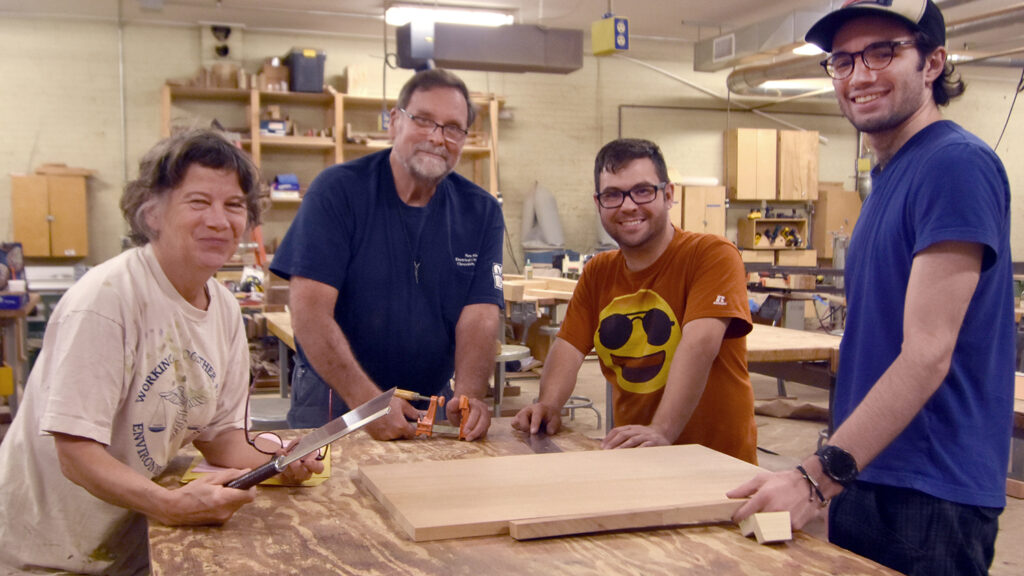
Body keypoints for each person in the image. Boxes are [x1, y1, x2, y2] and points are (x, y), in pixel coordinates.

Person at [729, 2, 1014, 574]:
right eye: (843, 60)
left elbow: (927, 354)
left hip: (928, 491)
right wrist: (835, 473)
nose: (859, 75)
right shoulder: (891, 175)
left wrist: (814, 478)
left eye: (882, 52)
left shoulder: (954, 165)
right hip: (870, 471)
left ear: (933, 63)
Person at [0, 129, 323, 575]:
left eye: (234, 205)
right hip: (46, 556)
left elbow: (220, 437)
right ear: (151, 212)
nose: (219, 220)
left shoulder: (224, 308)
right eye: (198, 202)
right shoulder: (108, 299)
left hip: (130, 543)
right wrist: (168, 504)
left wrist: (280, 458)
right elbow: (75, 454)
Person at [270, 68, 504, 441]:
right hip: (336, 394)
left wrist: (468, 396)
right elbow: (309, 313)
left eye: (453, 128)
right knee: (328, 481)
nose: (437, 137)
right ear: (394, 121)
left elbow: (480, 316)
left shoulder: (481, 211)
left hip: (429, 399)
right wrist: (368, 404)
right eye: (423, 120)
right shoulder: (338, 192)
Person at [513, 138, 758, 463]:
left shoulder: (711, 255)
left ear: (668, 195)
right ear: (598, 203)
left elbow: (699, 345)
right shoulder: (598, 272)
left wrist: (662, 430)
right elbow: (568, 347)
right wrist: (548, 405)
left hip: (718, 467)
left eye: (642, 191)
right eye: (613, 195)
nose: (628, 206)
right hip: (637, 459)